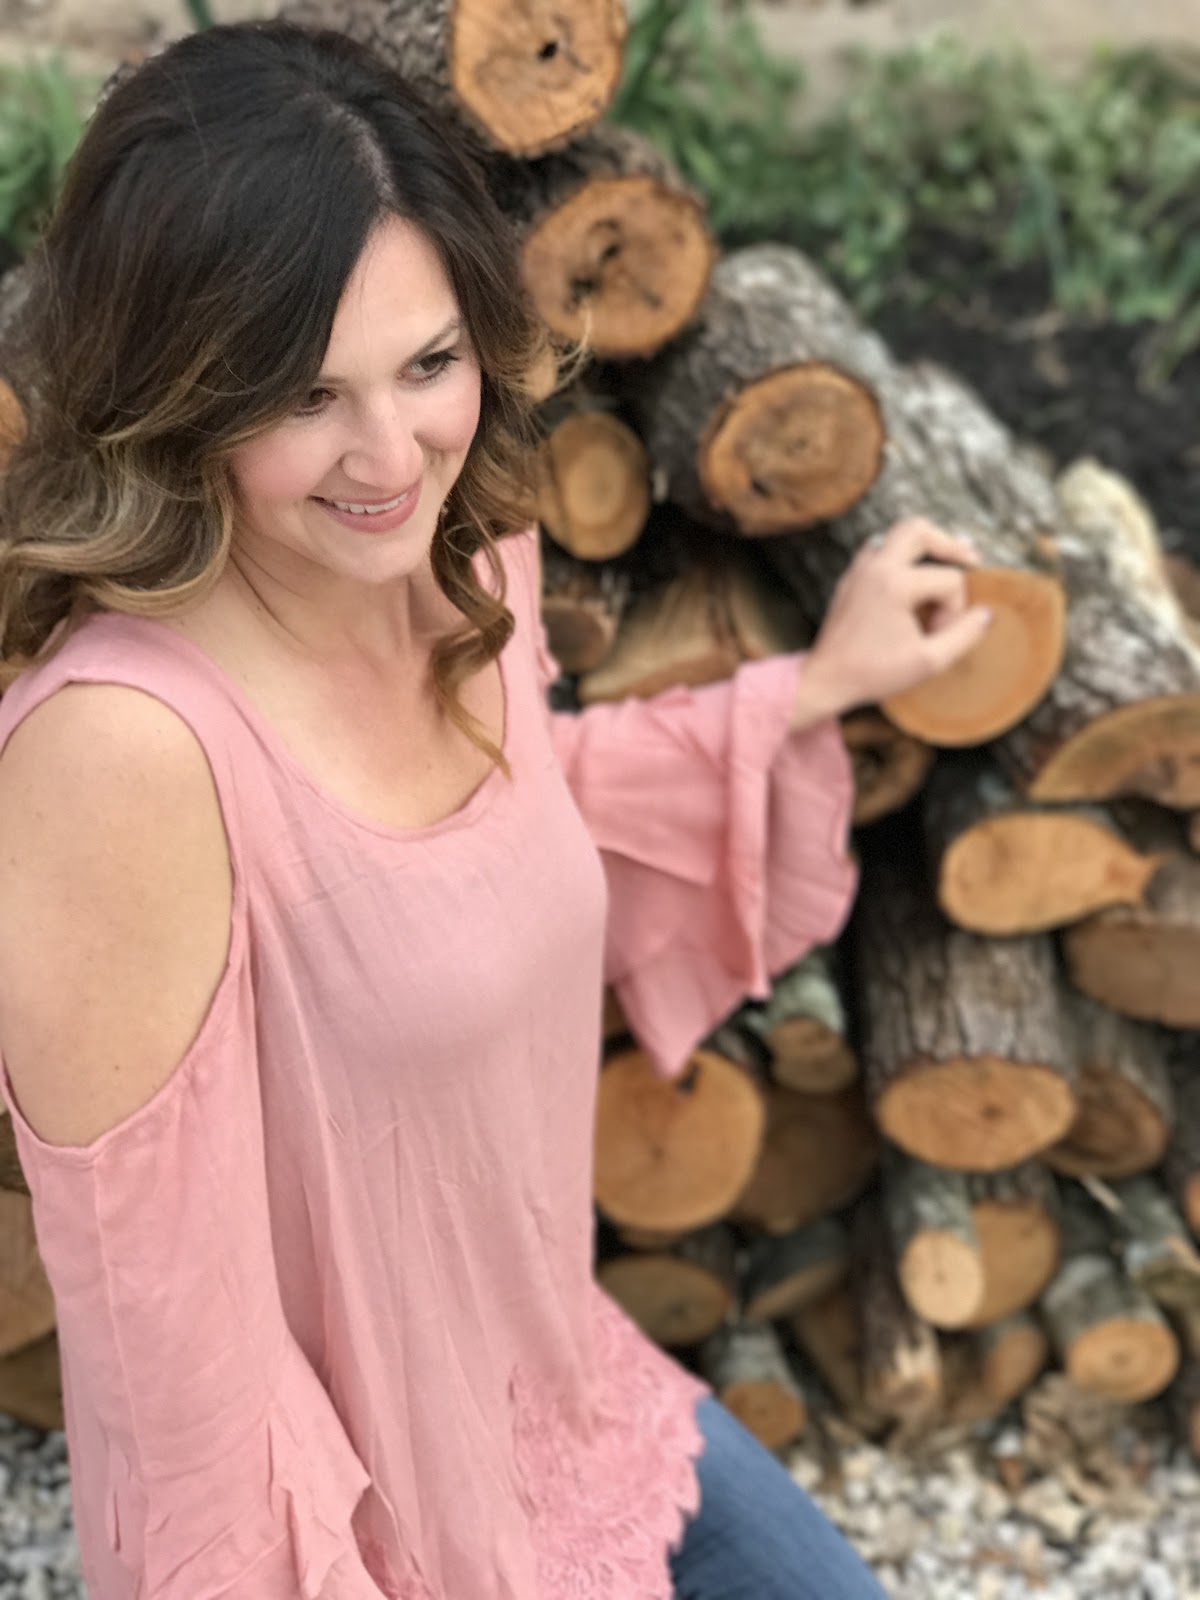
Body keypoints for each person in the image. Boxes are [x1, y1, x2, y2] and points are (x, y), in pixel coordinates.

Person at [0, 21, 991, 1600]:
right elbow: (180, 1380)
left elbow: (498, 844)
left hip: (559, 1400)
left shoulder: (462, 562)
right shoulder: (120, 758)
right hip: (360, 1528)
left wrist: (809, 691)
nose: (390, 454)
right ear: (176, 395)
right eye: (304, 394)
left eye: (429, 363)